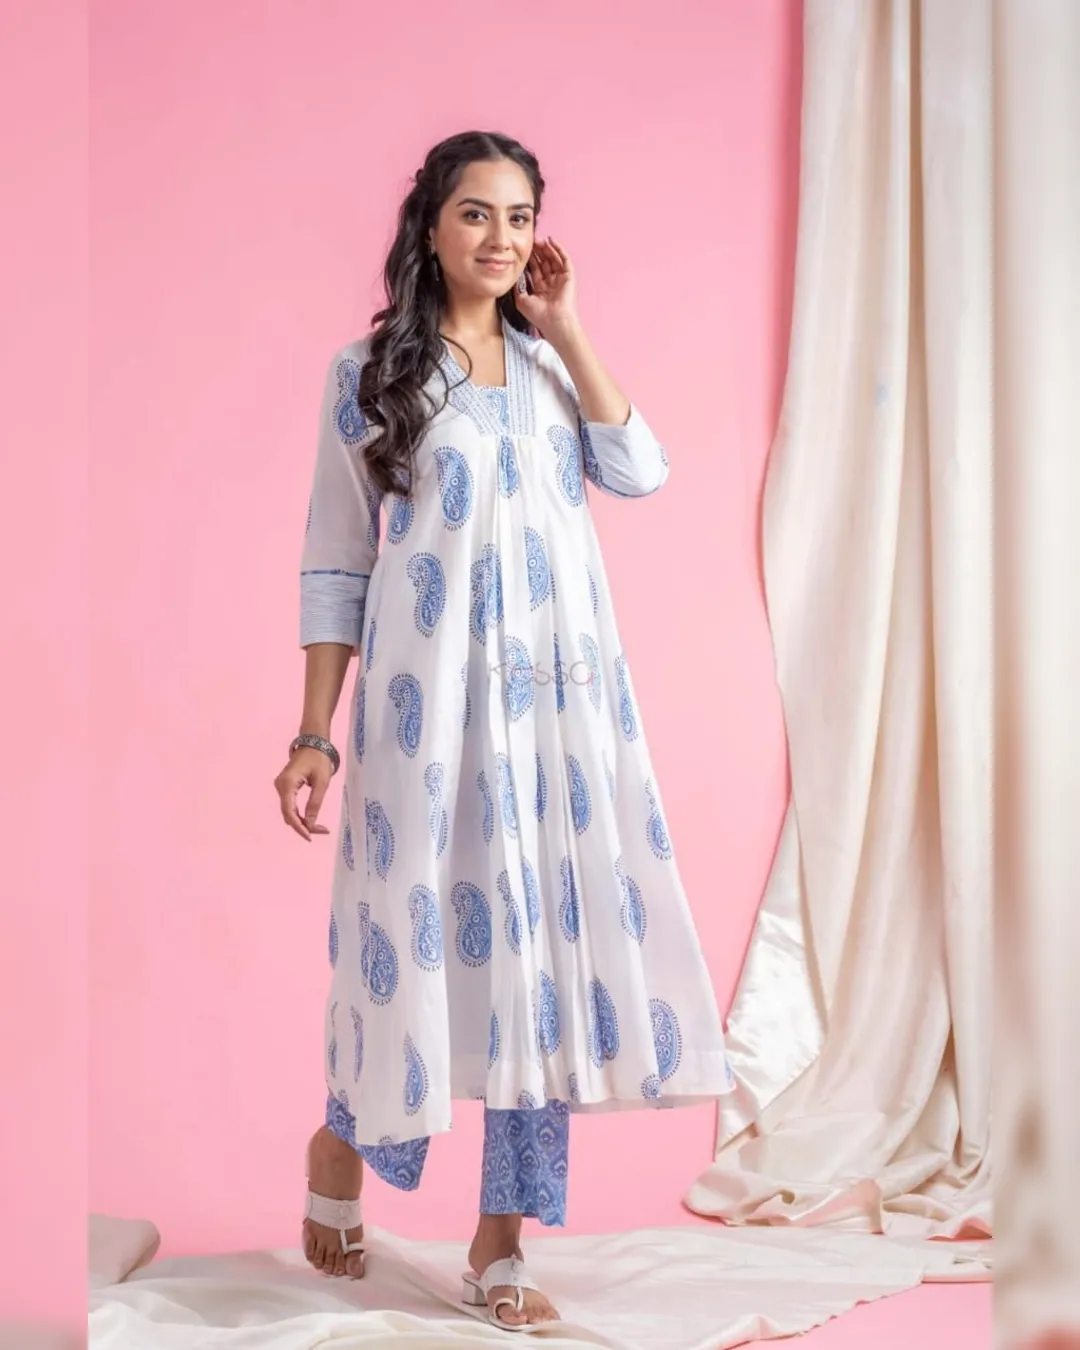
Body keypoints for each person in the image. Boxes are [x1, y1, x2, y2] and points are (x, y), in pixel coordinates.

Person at [273, 129, 735, 1331]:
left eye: (520, 217)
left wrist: (568, 328)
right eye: (476, 213)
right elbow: (336, 560)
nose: (501, 237)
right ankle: (343, 1141)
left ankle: (500, 1245)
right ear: (430, 226)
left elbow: (640, 469)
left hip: (556, 720)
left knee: (542, 961)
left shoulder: (548, 367)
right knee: (405, 939)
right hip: (425, 721)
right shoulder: (370, 374)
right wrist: (316, 733)